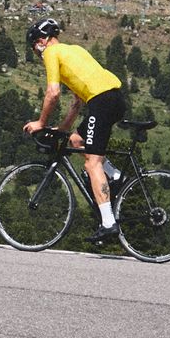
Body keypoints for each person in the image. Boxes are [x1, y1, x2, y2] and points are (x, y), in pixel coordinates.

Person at [23, 17, 127, 245]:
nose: (37, 53)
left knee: (92, 164)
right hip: (115, 98)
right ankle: (115, 175)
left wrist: (41, 123)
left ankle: (109, 223)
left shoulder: (52, 54)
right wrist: (62, 129)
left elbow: (53, 93)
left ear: (41, 41)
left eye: (35, 48)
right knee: (77, 140)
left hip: (101, 101)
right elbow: (77, 102)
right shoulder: (75, 50)